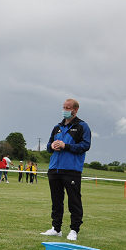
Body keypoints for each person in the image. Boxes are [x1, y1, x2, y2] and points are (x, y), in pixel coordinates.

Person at [40, 98, 91, 242]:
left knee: (74, 201)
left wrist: (65, 146)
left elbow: (85, 145)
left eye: (68, 108)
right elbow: (48, 146)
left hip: (71, 170)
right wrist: (51, 146)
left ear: (75, 110)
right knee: (56, 201)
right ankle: (56, 228)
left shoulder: (82, 126)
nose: (65, 110)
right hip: (54, 169)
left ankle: (74, 230)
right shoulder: (57, 127)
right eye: (64, 107)